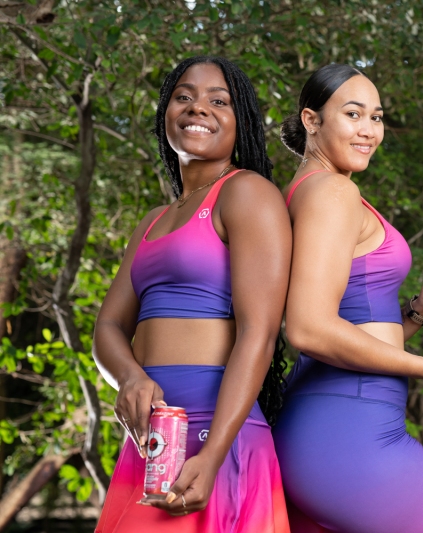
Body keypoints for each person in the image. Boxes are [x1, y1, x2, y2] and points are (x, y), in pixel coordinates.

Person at [273, 63, 423, 533]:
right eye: (353, 114)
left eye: (377, 117)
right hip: (347, 433)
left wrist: (415, 314)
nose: (369, 130)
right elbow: (308, 328)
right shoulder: (332, 192)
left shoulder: (308, 192)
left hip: (329, 424)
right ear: (312, 120)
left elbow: (348, 320)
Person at [92, 56, 291, 533]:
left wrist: (215, 452)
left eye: (217, 101)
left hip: (216, 436)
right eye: (184, 96)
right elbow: (108, 327)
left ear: (239, 121)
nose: (197, 108)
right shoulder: (152, 221)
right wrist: (130, 378)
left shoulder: (246, 193)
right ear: (165, 113)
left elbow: (258, 334)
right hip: (151, 441)